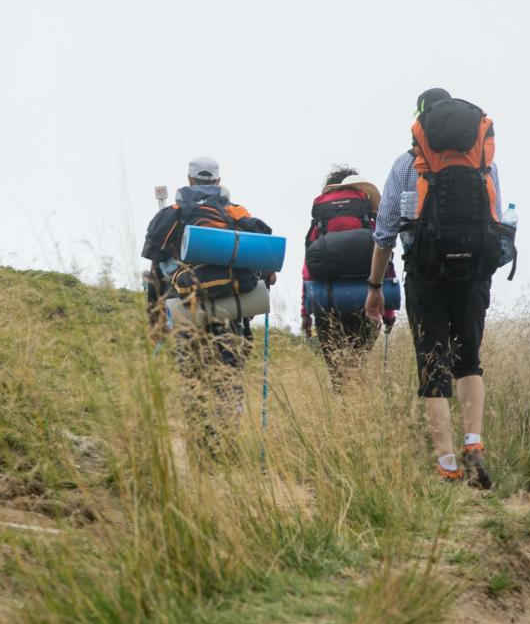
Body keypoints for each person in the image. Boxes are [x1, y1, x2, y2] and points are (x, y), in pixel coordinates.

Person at [364, 89, 512, 487]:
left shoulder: (406, 164)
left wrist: (375, 286)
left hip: (425, 273)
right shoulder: (483, 161)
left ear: (421, 123)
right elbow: (498, 217)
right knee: (469, 360)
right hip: (475, 273)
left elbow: (384, 234)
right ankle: (474, 443)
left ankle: (447, 463)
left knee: (433, 366)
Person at [142, 156, 277, 450]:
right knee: (228, 375)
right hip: (230, 310)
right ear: (217, 182)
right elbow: (265, 249)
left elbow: (155, 267)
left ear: (189, 180)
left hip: (185, 309)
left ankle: (196, 442)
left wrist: (154, 319)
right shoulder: (234, 211)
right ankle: (224, 444)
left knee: (191, 374)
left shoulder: (173, 214)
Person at [300, 166, 395, 386]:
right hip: (366, 299)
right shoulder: (368, 218)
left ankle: (342, 408)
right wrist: (388, 311)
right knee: (357, 362)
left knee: (337, 370)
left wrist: (306, 312)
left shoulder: (321, 220)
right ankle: (356, 409)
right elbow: (385, 263)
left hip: (327, 301)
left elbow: (307, 269)